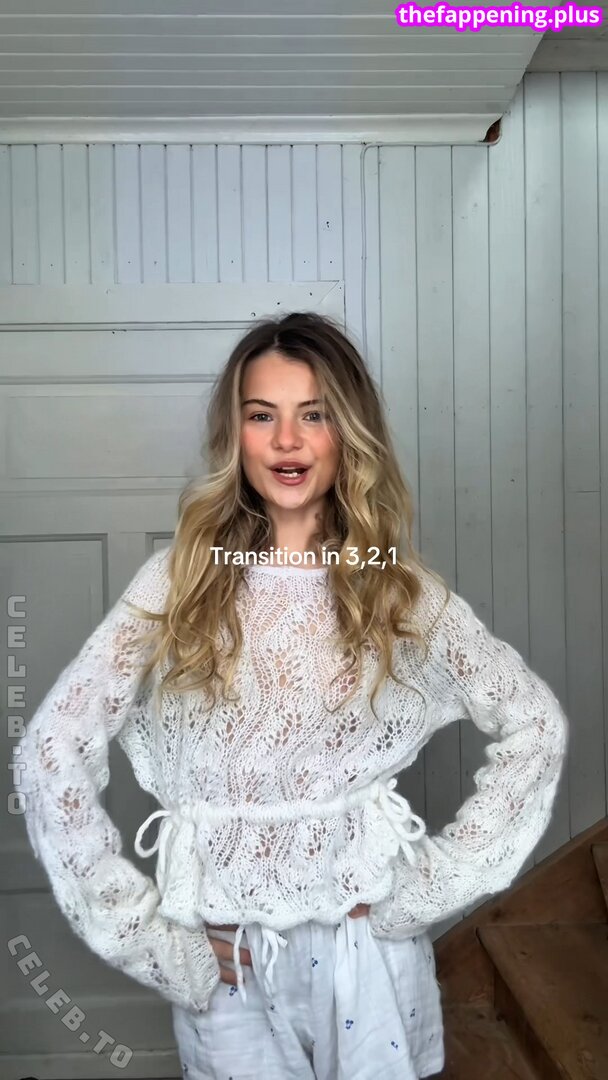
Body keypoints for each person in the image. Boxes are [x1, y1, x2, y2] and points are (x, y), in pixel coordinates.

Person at [17, 311, 569, 1080]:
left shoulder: (394, 587)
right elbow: (51, 751)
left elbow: (534, 725)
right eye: (261, 415)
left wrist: (426, 890)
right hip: (227, 964)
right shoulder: (183, 578)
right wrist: (148, 938)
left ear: (349, 432)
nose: (286, 441)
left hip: (367, 957)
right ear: (235, 434)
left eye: (314, 414)